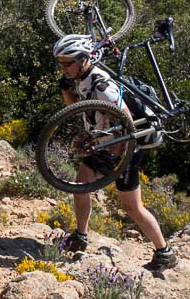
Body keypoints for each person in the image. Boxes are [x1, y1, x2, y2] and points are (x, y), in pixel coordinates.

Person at [52, 34, 178, 272]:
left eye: (67, 62)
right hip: (100, 143)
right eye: (60, 63)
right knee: (80, 186)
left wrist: (117, 155)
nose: (64, 67)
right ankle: (81, 235)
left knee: (132, 207)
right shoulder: (81, 78)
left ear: (82, 59)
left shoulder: (103, 86)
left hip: (124, 149)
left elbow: (126, 122)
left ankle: (164, 252)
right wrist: (65, 87)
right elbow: (74, 109)